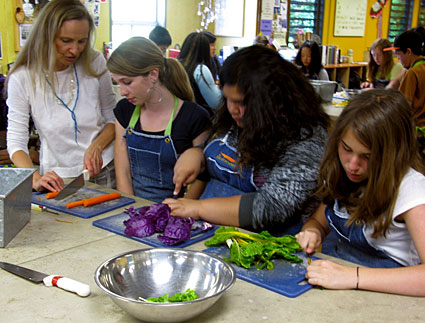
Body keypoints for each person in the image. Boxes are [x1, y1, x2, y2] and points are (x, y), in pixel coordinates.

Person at [164, 45, 329, 235]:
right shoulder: (234, 119)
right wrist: (197, 154)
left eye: (241, 102)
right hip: (213, 232)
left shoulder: (307, 137)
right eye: (227, 99)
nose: (233, 109)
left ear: (271, 101)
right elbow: (217, 148)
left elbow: (271, 206)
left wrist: (197, 208)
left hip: (266, 244)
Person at [296, 89, 425, 297]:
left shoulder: (412, 191)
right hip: (340, 287)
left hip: (389, 299)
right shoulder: (343, 172)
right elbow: (318, 222)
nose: (353, 165)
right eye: (346, 148)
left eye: (367, 156)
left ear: (393, 154)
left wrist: (352, 276)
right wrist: (313, 232)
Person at [6, 0, 116, 192]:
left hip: (104, 170)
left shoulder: (95, 61)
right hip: (58, 178)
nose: (75, 50)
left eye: (81, 41)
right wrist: (34, 177)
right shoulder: (23, 78)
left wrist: (97, 146)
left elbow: (113, 119)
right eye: (66, 41)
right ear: (46, 37)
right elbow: (16, 140)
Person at [107, 37, 211, 203]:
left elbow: (202, 178)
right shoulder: (124, 111)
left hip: (179, 211)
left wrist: (179, 211)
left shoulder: (194, 117)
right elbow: (123, 172)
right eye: (118, 83)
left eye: (127, 82)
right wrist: (130, 208)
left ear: (153, 74)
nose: (123, 92)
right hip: (135, 208)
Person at [178, 32, 222, 115]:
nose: (214, 48)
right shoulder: (200, 70)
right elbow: (216, 103)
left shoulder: (176, 64)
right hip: (197, 117)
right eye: (212, 45)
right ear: (204, 49)